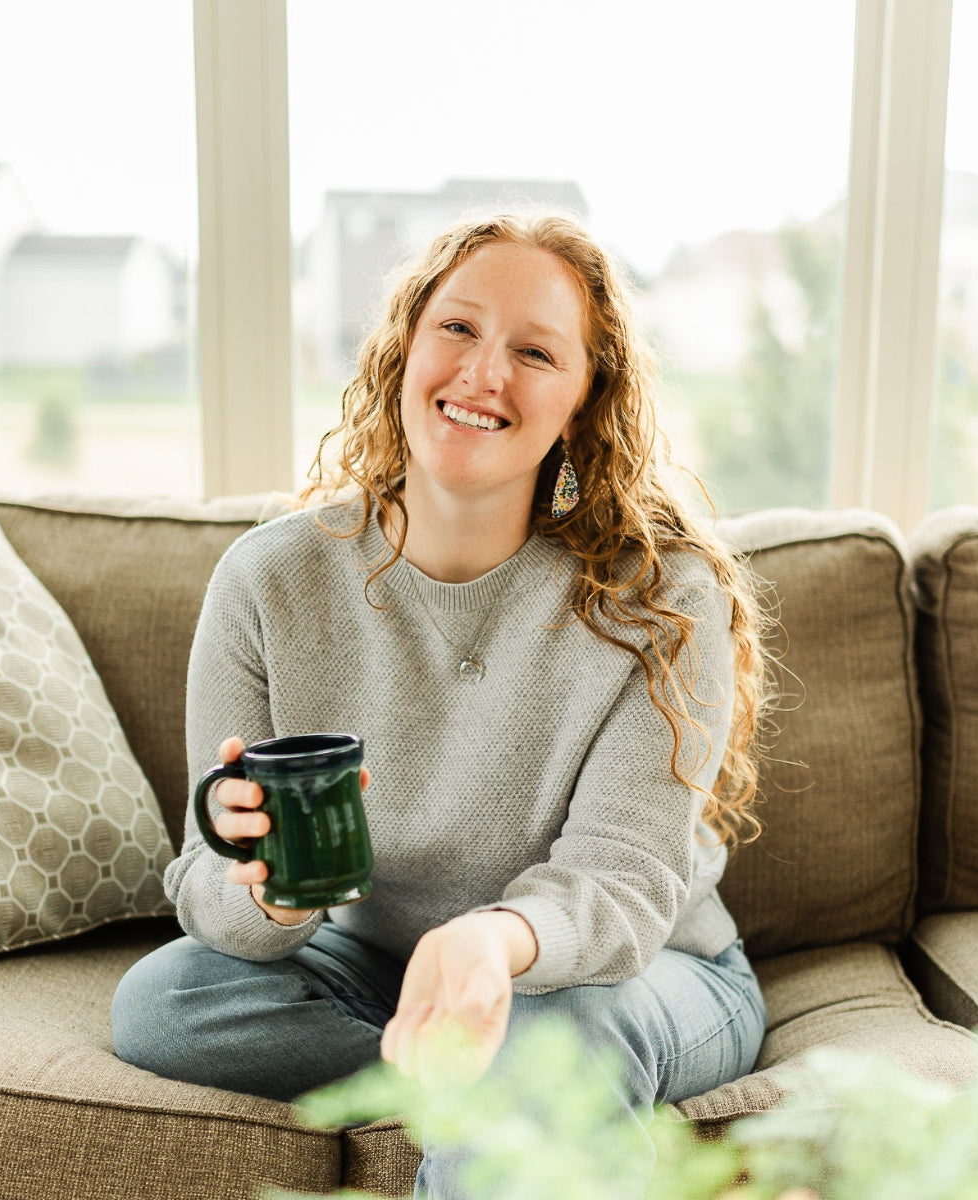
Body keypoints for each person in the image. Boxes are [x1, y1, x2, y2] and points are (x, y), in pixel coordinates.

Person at [111, 211, 770, 1199]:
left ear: (585, 402)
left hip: (613, 977)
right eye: (457, 329)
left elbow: (625, 886)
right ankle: (483, 1079)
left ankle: (519, 1084)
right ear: (405, 346)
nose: (483, 374)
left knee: (556, 1035)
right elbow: (208, 877)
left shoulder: (661, 597)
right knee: (165, 1002)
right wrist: (271, 891)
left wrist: (490, 945)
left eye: (535, 352)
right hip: (375, 964)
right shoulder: (268, 581)